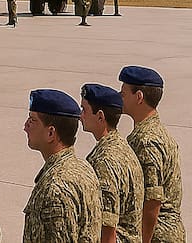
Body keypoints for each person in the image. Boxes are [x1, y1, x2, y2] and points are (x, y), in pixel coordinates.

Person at [23, 88, 102, 243]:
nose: (25, 126)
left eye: (32, 120)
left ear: (51, 133)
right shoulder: (83, 168)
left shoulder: (56, 189)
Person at [119, 66, 185, 243]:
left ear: (139, 97)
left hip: (157, 234)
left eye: (124, 93)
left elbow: (153, 200)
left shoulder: (147, 141)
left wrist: (143, 240)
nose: (119, 97)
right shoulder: (155, 131)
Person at [80, 83, 144, 243]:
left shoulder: (105, 161)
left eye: (84, 110)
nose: (81, 116)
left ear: (100, 116)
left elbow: (107, 227)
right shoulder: (122, 147)